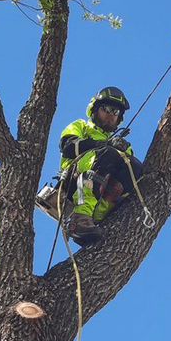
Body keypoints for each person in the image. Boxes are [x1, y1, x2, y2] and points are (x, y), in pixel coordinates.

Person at [59, 86, 143, 245]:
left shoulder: (122, 146)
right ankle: (80, 218)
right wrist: (104, 144)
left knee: (135, 166)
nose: (111, 115)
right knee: (109, 153)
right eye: (108, 109)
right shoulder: (81, 126)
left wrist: (117, 148)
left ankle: (96, 216)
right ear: (95, 109)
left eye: (116, 112)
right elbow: (68, 147)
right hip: (74, 182)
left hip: (102, 192)